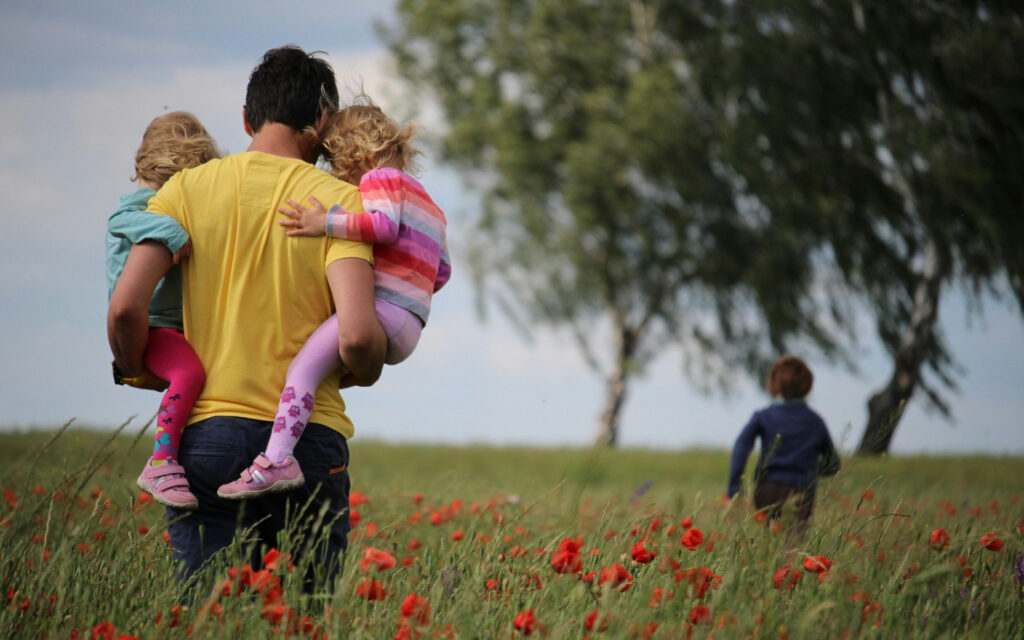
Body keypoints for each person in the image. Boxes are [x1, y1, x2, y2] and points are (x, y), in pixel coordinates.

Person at [107, 45, 387, 588]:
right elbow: (356, 335)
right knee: (304, 618)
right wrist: (368, 365)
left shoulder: (184, 191)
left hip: (207, 435)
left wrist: (138, 366)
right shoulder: (340, 204)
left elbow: (125, 306)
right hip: (308, 442)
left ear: (245, 119)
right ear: (323, 122)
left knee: (211, 613)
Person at [218, 99, 451, 498]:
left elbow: (382, 226)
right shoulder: (430, 204)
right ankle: (289, 439)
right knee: (321, 372)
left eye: (334, 160)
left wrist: (323, 222)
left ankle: (277, 460)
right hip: (411, 323)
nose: (334, 172)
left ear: (353, 152)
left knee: (302, 370)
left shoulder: (380, 180)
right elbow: (442, 272)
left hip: (383, 312)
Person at [106, 111, 220, 509]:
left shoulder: (162, 200)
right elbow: (121, 219)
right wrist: (172, 232)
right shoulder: (142, 205)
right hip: (152, 325)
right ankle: (162, 460)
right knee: (189, 373)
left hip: (172, 326)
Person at [726, 355, 840, 523]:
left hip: (766, 490)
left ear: (774, 384)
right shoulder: (815, 421)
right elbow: (833, 464)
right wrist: (809, 470)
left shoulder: (763, 417)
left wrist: (734, 488)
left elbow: (741, 447)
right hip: (801, 491)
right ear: (807, 386)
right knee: (794, 544)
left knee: (769, 541)